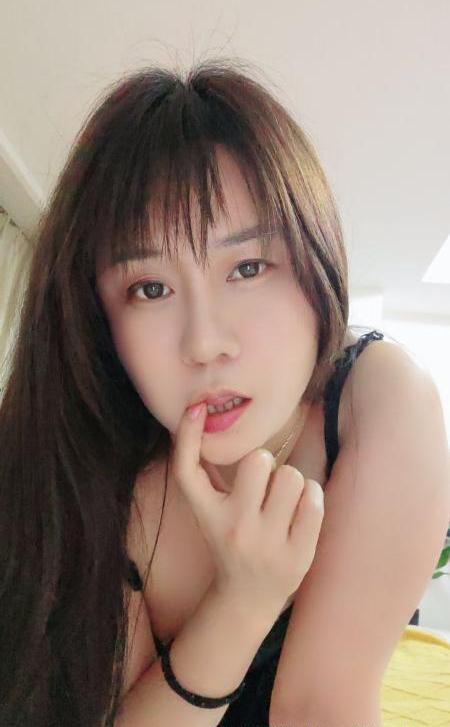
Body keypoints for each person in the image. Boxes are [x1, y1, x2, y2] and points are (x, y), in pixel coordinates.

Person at [1, 58, 449, 727]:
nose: (205, 342)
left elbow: (320, 708)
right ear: (99, 321)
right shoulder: (90, 470)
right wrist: (244, 600)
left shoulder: (379, 402)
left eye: (248, 267)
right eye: (151, 288)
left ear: (317, 261)